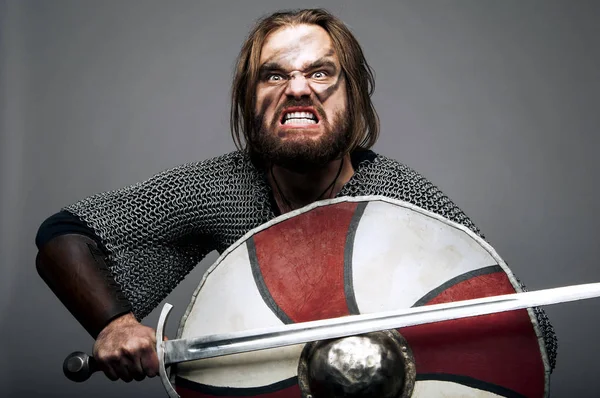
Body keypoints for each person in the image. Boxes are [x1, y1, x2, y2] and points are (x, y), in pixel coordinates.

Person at [35, 8, 557, 385]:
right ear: (250, 101)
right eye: (274, 75)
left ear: (352, 97)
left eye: (320, 72)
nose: (298, 88)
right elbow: (65, 236)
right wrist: (117, 324)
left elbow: (533, 337)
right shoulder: (225, 187)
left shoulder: (402, 200)